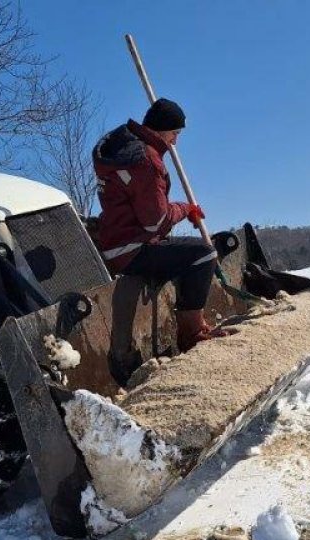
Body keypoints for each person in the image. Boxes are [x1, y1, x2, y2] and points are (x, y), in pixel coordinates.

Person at [92, 98, 229, 352]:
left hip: (115, 239)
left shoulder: (119, 149)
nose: (175, 141)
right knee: (204, 255)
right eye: (175, 133)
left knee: (184, 252)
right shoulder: (146, 161)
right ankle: (192, 332)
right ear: (161, 128)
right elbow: (155, 221)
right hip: (131, 249)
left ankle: (192, 322)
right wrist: (185, 209)